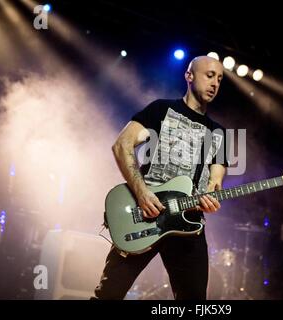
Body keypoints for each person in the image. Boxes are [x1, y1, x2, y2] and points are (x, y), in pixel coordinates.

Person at [93, 56, 229, 300]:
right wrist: (142, 193)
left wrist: (211, 195)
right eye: (209, 75)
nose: (215, 83)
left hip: (189, 224)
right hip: (145, 215)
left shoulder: (218, 133)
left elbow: (215, 180)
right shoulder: (162, 110)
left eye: (219, 79)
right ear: (189, 76)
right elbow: (122, 145)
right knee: (108, 295)